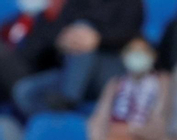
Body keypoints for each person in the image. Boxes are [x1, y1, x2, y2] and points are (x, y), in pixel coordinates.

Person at [12, 0, 143, 117]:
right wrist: (62, 40)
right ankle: (62, 121)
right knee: (25, 92)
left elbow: (129, 34)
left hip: (108, 71)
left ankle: (68, 100)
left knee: (83, 28)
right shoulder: (76, 2)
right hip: (73, 71)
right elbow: (56, 31)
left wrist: (98, 39)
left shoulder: (130, 3)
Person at [87, 35, 167, 140]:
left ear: (153, 56)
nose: (136, 56)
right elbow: (97, 121)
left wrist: (130, 130)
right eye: (132, 52)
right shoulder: (115, 84)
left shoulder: (164, 82)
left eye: (142, 52)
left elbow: (163, 125)